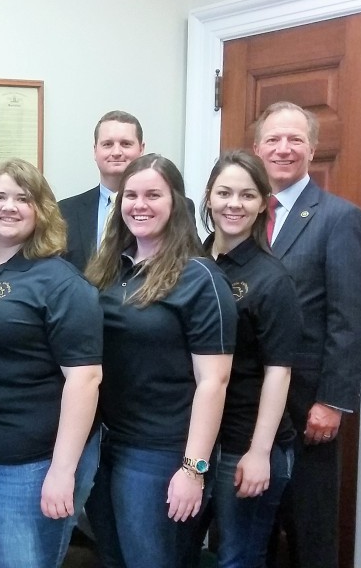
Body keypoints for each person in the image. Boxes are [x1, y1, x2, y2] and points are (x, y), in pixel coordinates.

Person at [0, 158, 102, 567]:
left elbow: (85, 380)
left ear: (41, 210)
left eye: (23, 199)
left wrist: (63, 472)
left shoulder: (60, 283)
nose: (9, 207)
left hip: (24, 465)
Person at [83, 153, 236, 568]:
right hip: (105, 444)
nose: (139, 204)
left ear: (176, 204)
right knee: (113, 559)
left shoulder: (200, 279)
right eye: (130, 195)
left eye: (153, 194)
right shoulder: (110, 270)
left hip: (161, 453)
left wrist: (193, 468)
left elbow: (214, 382)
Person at [253, 101, 361, 568]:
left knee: (309, 530)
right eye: (273, 139)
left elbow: (353, 316)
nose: (284, 149)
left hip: (309, 408)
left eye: (295, 139)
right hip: (246, 402)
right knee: (251, 529)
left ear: (312, 149)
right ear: (257, 147)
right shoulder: (238, 214)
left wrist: (333, 401)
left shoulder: (338, 218)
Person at [198, 150, 302, 567]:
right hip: (197, 438)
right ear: (208, 198)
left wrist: (259, 452)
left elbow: (279, 372)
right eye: (224, 193)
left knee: (237, 557)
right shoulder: (192, 262)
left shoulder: (271, 279)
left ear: (262, 203)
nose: (233, 204)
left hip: (246, 441)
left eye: (246, 195)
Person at [58, 110, 147, 272]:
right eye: (107, 144)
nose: (116, 152)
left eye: (126, 144)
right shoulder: (64, 211)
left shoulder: (165, 208)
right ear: (95, 150)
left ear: (141, 149)